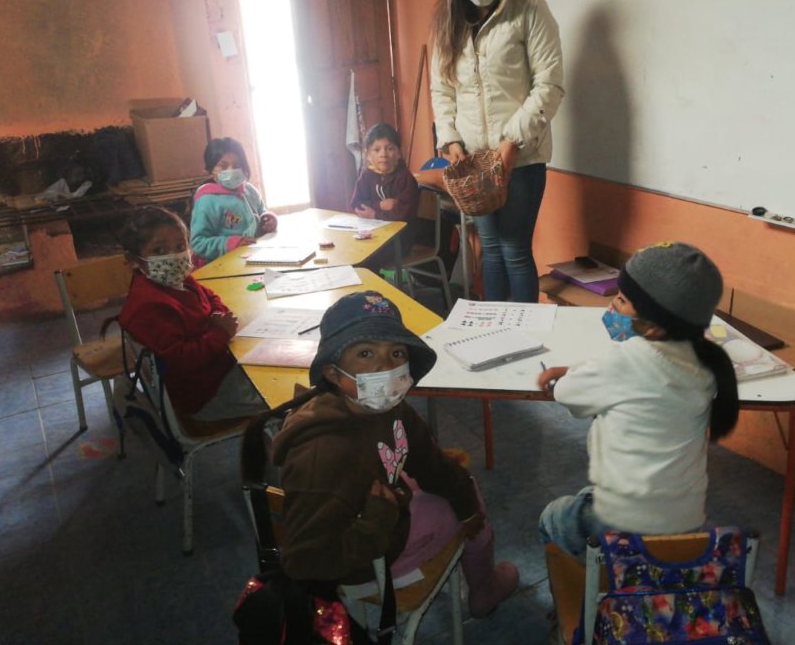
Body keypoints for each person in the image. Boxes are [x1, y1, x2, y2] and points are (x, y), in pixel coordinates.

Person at [245, 290, 519, 618]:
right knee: (464, 499)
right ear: (333, 373)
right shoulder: (323, 456)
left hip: (384, 517)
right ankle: (483, 590)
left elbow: (428, 462)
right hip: (365, 561)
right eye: (365, 353)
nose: (384, 367)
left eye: (396, 353)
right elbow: (305, 562)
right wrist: (377, 523)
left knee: (463, 486)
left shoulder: (389, 409)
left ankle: (479, 574)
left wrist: (466, 505)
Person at [536, 242, 740, 557]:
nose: (611, 307)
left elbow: (566, 393)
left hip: (625, 523)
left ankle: (580, 599)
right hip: (683, 523)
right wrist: (580, 369)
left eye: (621, 300)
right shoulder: (705, 361)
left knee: (555, 515)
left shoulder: (628, 358)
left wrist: (566, 376)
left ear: (656, 326)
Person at [430, 0, 564, 303]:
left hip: (521, 158)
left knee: (514, 251)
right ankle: (497, 335)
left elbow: (549, 85)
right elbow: (441, 89)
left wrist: (511, 144)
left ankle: (525, 342)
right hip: (473, 162)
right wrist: (451, 140)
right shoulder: (447, 19)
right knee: (488, 248)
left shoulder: (530, 9)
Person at [117, 205, 267, 422]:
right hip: (205, 394)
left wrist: (218, 318)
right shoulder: (147, 307)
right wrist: (220, 331)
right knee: (288, 393)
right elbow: (183, 358)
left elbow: (211, 297)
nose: (174, 256)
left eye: (180, 246)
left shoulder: (179, 279)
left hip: (219, 369)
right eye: (159, 251)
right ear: (133, 260)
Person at [189, 137, 278, 265]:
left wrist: (269, 219)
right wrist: (232, 243)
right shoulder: (207, 200)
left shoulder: (249, 190)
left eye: (237, 165)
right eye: (223, 166)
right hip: (223, 265)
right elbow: (198, 243)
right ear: (210, 169)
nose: (231, 170)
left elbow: (262, 212)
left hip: (253, 257)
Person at [349, 123, 420, 273]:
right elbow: (357, 203)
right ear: (367, 155)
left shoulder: (405, 178)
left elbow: (403, 214)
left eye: (390, 148)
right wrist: (379, 206)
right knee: (352, 252)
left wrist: (375, 215)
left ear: (399, 153)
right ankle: (367, 293)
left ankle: (375, 294)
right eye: (376, 149)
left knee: (367, 256)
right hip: (374, 236)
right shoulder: (366, 176)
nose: (383, 154)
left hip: (400, 240)